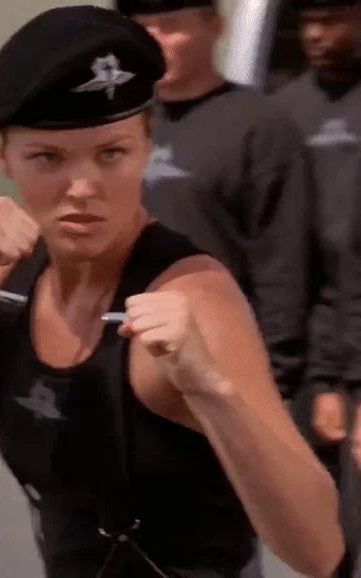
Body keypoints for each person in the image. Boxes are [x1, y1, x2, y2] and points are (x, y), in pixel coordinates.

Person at [0, 7, 343, 578]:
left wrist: (212, 388)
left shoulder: (191, 295)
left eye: (112, 153)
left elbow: (318, 552)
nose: (83, 189)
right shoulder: (2, 283)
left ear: (145, 147)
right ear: (5, 158)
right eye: (48, 158)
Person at [115, 0, 311, 405]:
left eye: (170, 26)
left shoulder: (260, 125)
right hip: (119, 353)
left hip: (216, 362)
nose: (154, 42)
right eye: (142, 29)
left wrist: (273, 376)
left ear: (215, 27)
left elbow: (283, 263)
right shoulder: (116, 123)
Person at [274, 1, 361, 574]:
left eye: (332, 20)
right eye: (307, 23)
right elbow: (282, 259)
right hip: (312, 357)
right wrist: (320, 379)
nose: (316, 35)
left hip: (353, 361)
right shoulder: (282, 113)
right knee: (323, 544)